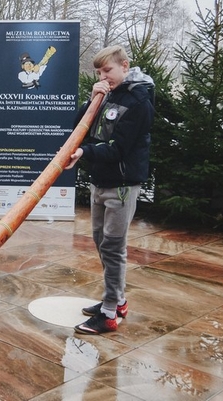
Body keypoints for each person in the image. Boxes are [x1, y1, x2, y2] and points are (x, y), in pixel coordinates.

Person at [65, 45, 154, 335]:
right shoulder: (109, 95)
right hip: (100, 180)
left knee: (113, 247)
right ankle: (117, 300)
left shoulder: (139, 101)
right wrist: (92, 100)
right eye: (99, 72)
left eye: (108, 70)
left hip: (122, 186)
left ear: (124, 66)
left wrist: (84, 152)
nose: (103, 77)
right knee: (100, 240)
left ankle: (108, 315)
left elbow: (118, 149)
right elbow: (81, 127)